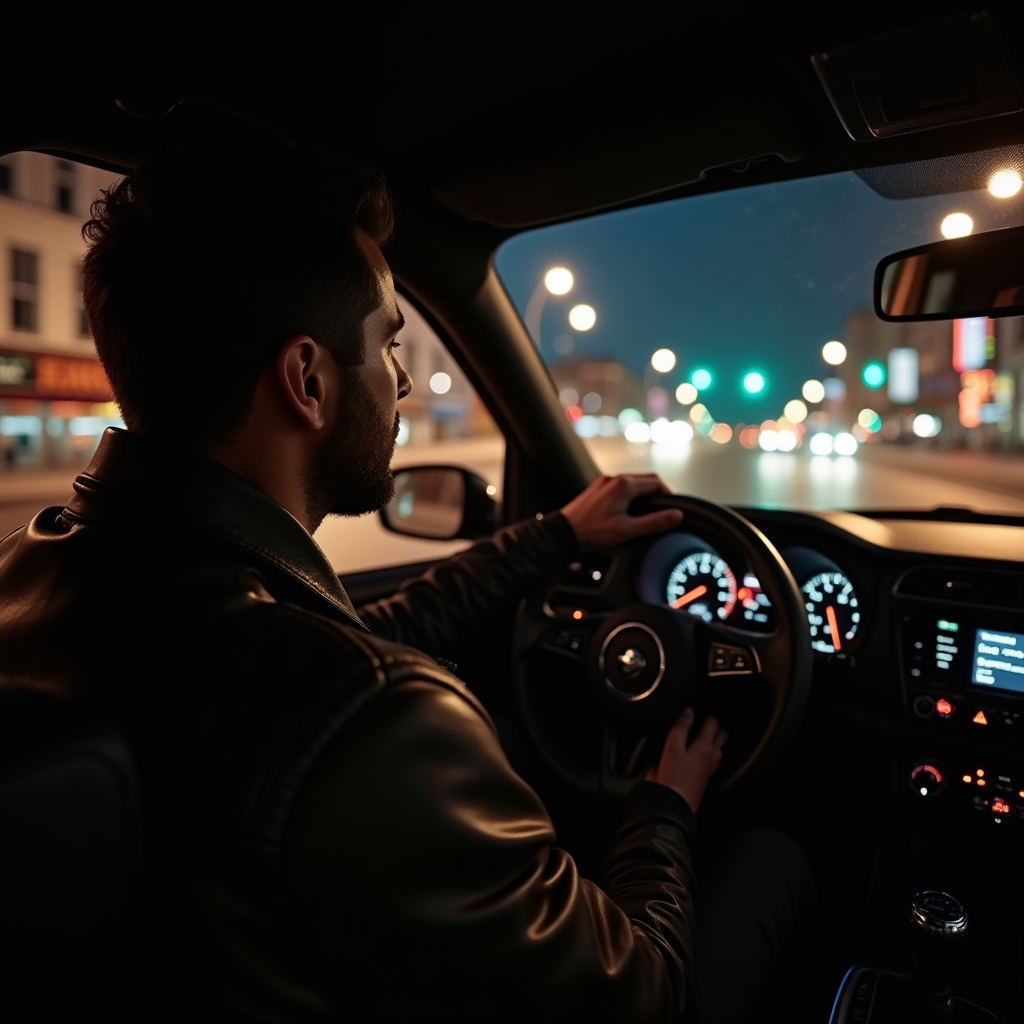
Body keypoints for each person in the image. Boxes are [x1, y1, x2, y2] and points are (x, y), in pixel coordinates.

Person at [0, 147, 813, 1023]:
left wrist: (556, 535)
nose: (402, 379)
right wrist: (663, 805)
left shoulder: (40, 564)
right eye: (389, 342)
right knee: (777, 856)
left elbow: (343, 649)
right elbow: (641, 998)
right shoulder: (371, 718)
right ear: (307, 381)